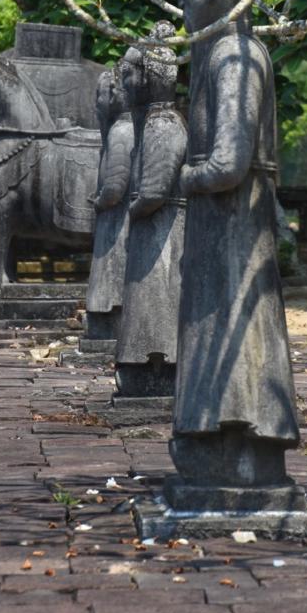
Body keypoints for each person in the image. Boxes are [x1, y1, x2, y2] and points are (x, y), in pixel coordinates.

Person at [169, 0, 300, 494]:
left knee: (235, 338)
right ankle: (216, 436)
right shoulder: (218, 55)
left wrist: (183, 176)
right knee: (221, 331)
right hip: (222, 229)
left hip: (234, 227)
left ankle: (238, 440)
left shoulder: (235, 58)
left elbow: (228, 164)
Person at [115, 23, 187, 398]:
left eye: (128, 75)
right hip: (153, 233)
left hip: (162, 235)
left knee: (156, 302)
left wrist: (135, 209)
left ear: (147, 77)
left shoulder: (162, 124)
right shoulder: (154, 123)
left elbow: (156, 190)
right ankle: (146, 360)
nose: (124, 84)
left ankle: (156, 363)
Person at [85, 66, 134, 341]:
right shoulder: (123, 129)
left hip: (118, 221)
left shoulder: (122, 132)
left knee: (112, 278)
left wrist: (101, 202)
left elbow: (115, 185)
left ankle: (110, 324)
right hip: (115, 220)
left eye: (99, 95)